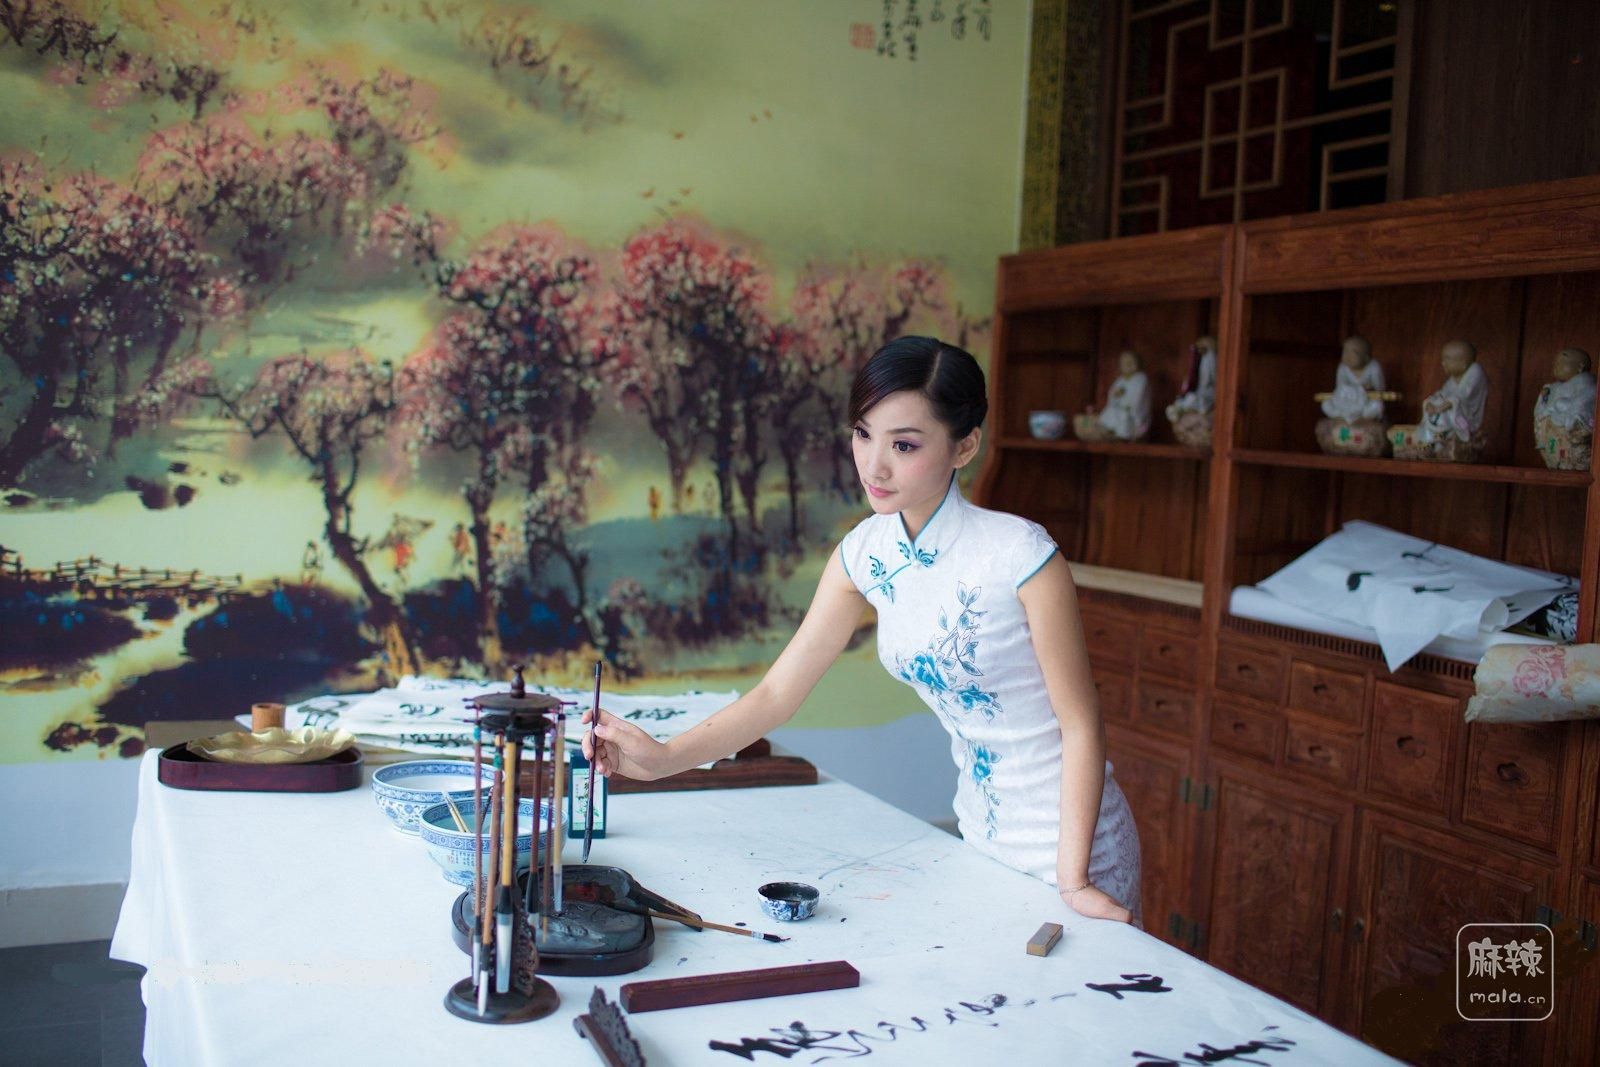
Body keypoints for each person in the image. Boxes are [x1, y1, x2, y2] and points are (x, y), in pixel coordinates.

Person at [584, 336, 1142, 924]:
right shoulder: (865, 554)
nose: (874, 465)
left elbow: (1082, 724)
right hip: (980, 839)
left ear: (965, 446)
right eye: (863, 433)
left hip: (1075, 847)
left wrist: (1074, 879)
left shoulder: (1020, 555)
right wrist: (664, 758)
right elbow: (776, 696)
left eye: (903, 444)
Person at [1320, 336, 1386, 422]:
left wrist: (1369, 389)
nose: (1348, 356)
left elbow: (1379, 388)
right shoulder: (1342, 367)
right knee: (1325, 404)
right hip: (1347, 402)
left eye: (1354, 352)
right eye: (1345, 351)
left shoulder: (1373, 366)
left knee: (1377, 405)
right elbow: (1340, 387)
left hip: (1365, 403)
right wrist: (1352, 390)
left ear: (1366, 357)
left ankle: (1361, 419)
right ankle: (1342, 418)